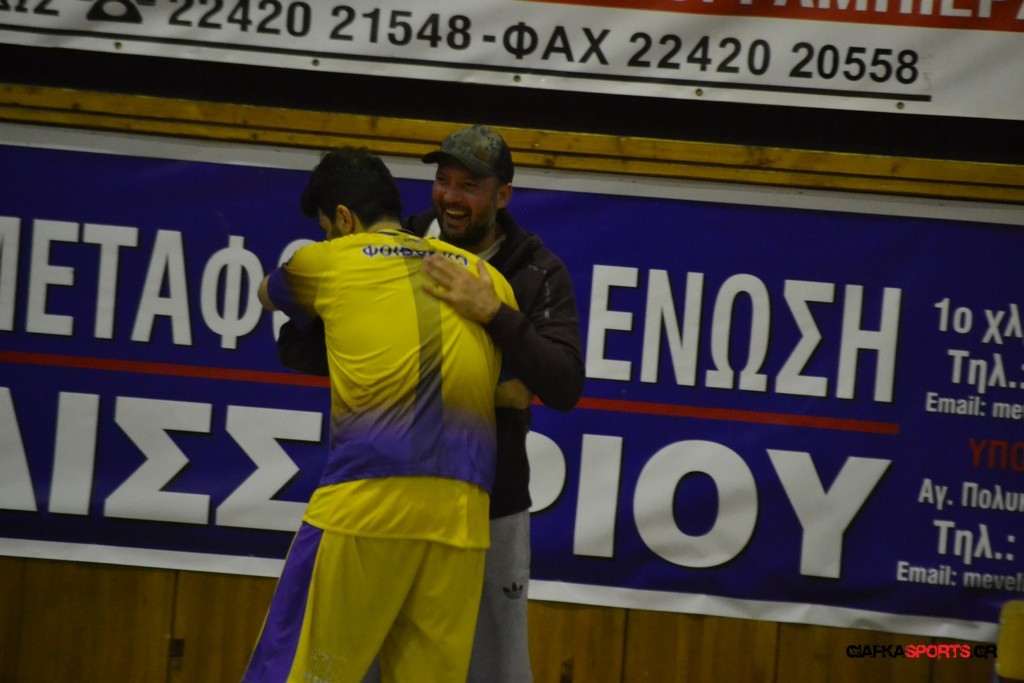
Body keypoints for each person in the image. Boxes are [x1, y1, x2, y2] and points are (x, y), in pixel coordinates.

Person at [277, 126, 586, 682]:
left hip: (488, 507)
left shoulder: (536, 270)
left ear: (503, 195)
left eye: (470, 186)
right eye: (443, 181)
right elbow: (301, 346)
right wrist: (454, 377)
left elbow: (563, 385)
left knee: (492, 671)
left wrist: (493, 314)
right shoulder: (397, 241)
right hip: (388, 500)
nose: (451, 196)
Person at [243, 147, 519, 683]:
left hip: (367, 502)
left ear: (344, 219)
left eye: (326, 229)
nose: (327, 239)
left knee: (299, 671)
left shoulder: (328, 260)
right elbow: (515, 389)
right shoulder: (484, 278)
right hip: (462, 516)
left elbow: (265, 295)